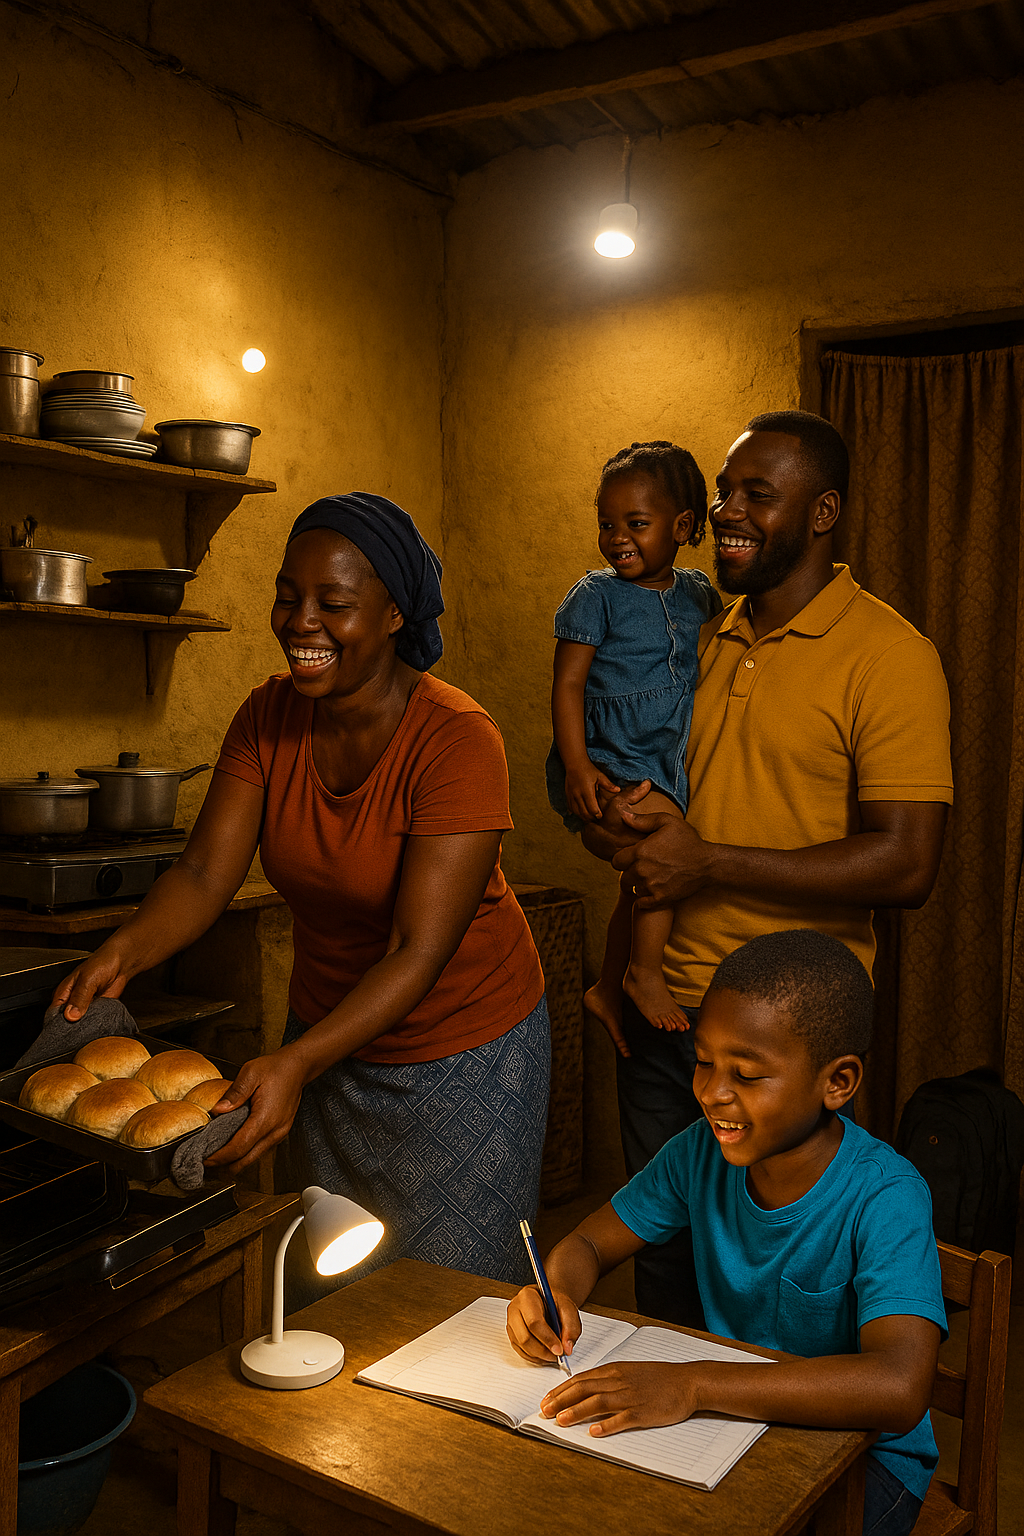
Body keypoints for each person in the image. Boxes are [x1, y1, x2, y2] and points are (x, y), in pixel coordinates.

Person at [54, 493, 549, 1291]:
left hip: (464, 1051)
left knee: (456, 1298)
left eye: (334, 604)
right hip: (326, 1040)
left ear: (393, 614)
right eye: (289, 596)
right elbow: (204, 875)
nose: (300, 622)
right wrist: (120, 954)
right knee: (337, 1284)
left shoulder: (458, 739)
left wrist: (295, 1060)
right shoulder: (266, 717)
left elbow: (418, 950)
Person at [582, 410, 953, 1327]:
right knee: (663, 1268)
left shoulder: (891, 656)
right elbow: (656, 822)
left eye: (759, 495)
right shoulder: (693, 635)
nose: (728, 511)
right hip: (666, 1014)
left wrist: (709, 861)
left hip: (783, 1041)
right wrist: (618, 846)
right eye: (725, 491)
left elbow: (907, 864)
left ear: (823, 513)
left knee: (781, 1289)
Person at [507, 930, 946, 1536]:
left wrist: (693, 1383)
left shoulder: (887, 1196)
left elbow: (898, 1386)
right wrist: (556, 1292)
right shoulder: (699, 1154)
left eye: (745, 1073)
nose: (712, 1093)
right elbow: (587, 1242)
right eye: (705, 1061)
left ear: (837, 1082)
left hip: (866, 1461)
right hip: (733, 1425)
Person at [545, 441, 721, 1031]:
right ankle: (643, 974)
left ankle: (606, 984)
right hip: (608, 758)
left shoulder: (699, 594)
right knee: (669, 842)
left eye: (636, 524)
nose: (617, 536)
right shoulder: (595, 595)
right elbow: (567, 685)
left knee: (644, 872)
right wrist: (576, 765)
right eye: (606, 524)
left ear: (683, 526)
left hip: (662, 757)